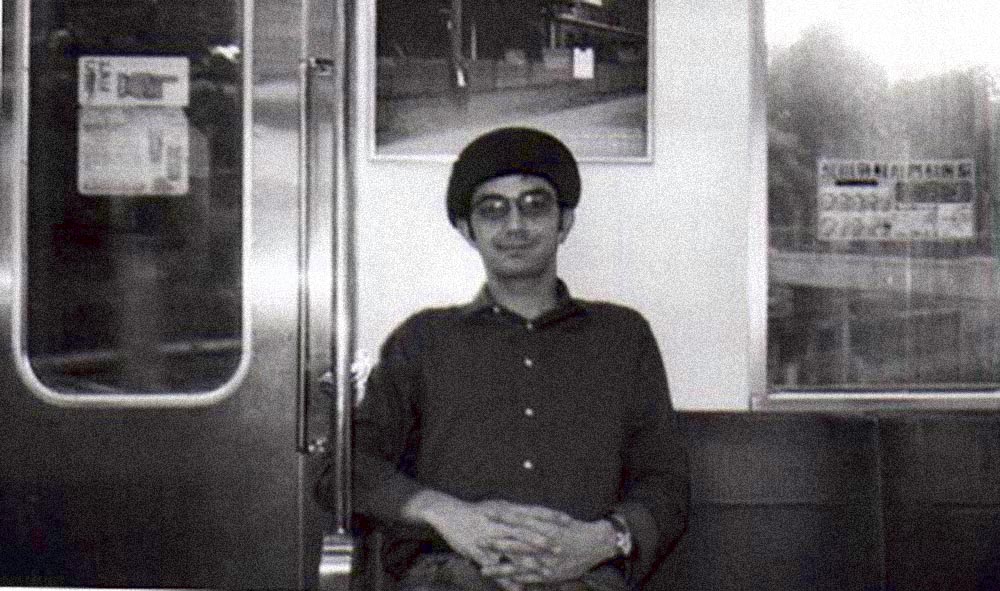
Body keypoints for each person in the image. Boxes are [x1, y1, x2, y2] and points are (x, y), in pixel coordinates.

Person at [318, 127, 689, 591]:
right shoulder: (421, 340)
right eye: (492, 209)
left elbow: (666, 484)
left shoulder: (623, 337)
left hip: (586, 580)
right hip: (448, 579)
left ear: (564, 222)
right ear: (467, 230)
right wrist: (447, 514)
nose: (515, 225)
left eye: (534, 205)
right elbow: (342, 469)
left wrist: (601, 541)